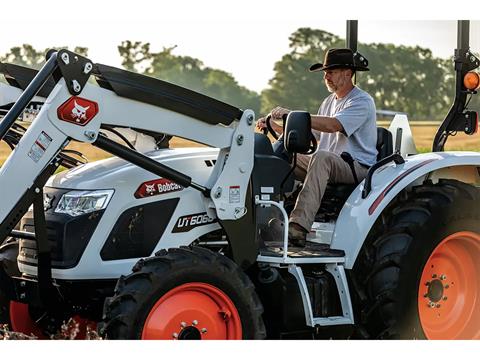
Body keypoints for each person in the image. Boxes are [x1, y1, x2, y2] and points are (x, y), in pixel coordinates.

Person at [257, 48, 377, 247]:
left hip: (357, 167)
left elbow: (333, 125)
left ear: (348, 73)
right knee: (284, 154)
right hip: (331, 161)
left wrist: (292, 115)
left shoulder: (361, 101)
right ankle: (267, 217)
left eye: (331, 71)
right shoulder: (329, 102)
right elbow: (314, 136)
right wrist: (277, 128)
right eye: (325, 72)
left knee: (321, 158)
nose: (326, 76)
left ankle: (298, 227)